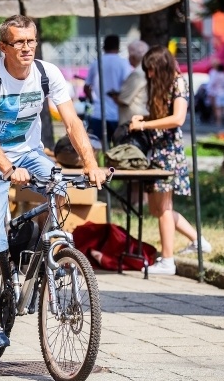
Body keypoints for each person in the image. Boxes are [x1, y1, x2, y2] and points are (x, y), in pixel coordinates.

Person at [0, 15, 106, 349]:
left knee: (59, 190)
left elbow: (72, 123)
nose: (27, 47)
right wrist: (7, 167)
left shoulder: (47, 73)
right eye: (19, 42)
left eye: (31, 40)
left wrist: (91, 164)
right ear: (3, 47)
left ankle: (40, 251)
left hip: (30, 153)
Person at [129, 46, 211, 275]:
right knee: (157, 208)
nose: (150, 74)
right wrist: (144, 118)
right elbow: (163, 117)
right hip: (158, 151)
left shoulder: (179, 83)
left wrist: (144, 125)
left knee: (164, 208)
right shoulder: (164, 84)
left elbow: (177, 119)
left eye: (152, 70)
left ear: (162, 67)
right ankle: (198, 240)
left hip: (169, 153)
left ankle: (167, 260)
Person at [84, 34, 132, 139]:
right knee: (118, 146)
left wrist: (93, 99)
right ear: (118, 46)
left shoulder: (96, 63)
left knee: (97, 145)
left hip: (99, 113)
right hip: (118, 114)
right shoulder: (123, 63)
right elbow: (128, 85)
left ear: (104, 46)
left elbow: (86, 87)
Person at [113, 40, 149, 127]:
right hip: (142, 118)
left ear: (133, 57)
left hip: (133, 122)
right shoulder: (146, 70)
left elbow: (123, 100)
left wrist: (114, 96)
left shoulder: (137, 74)